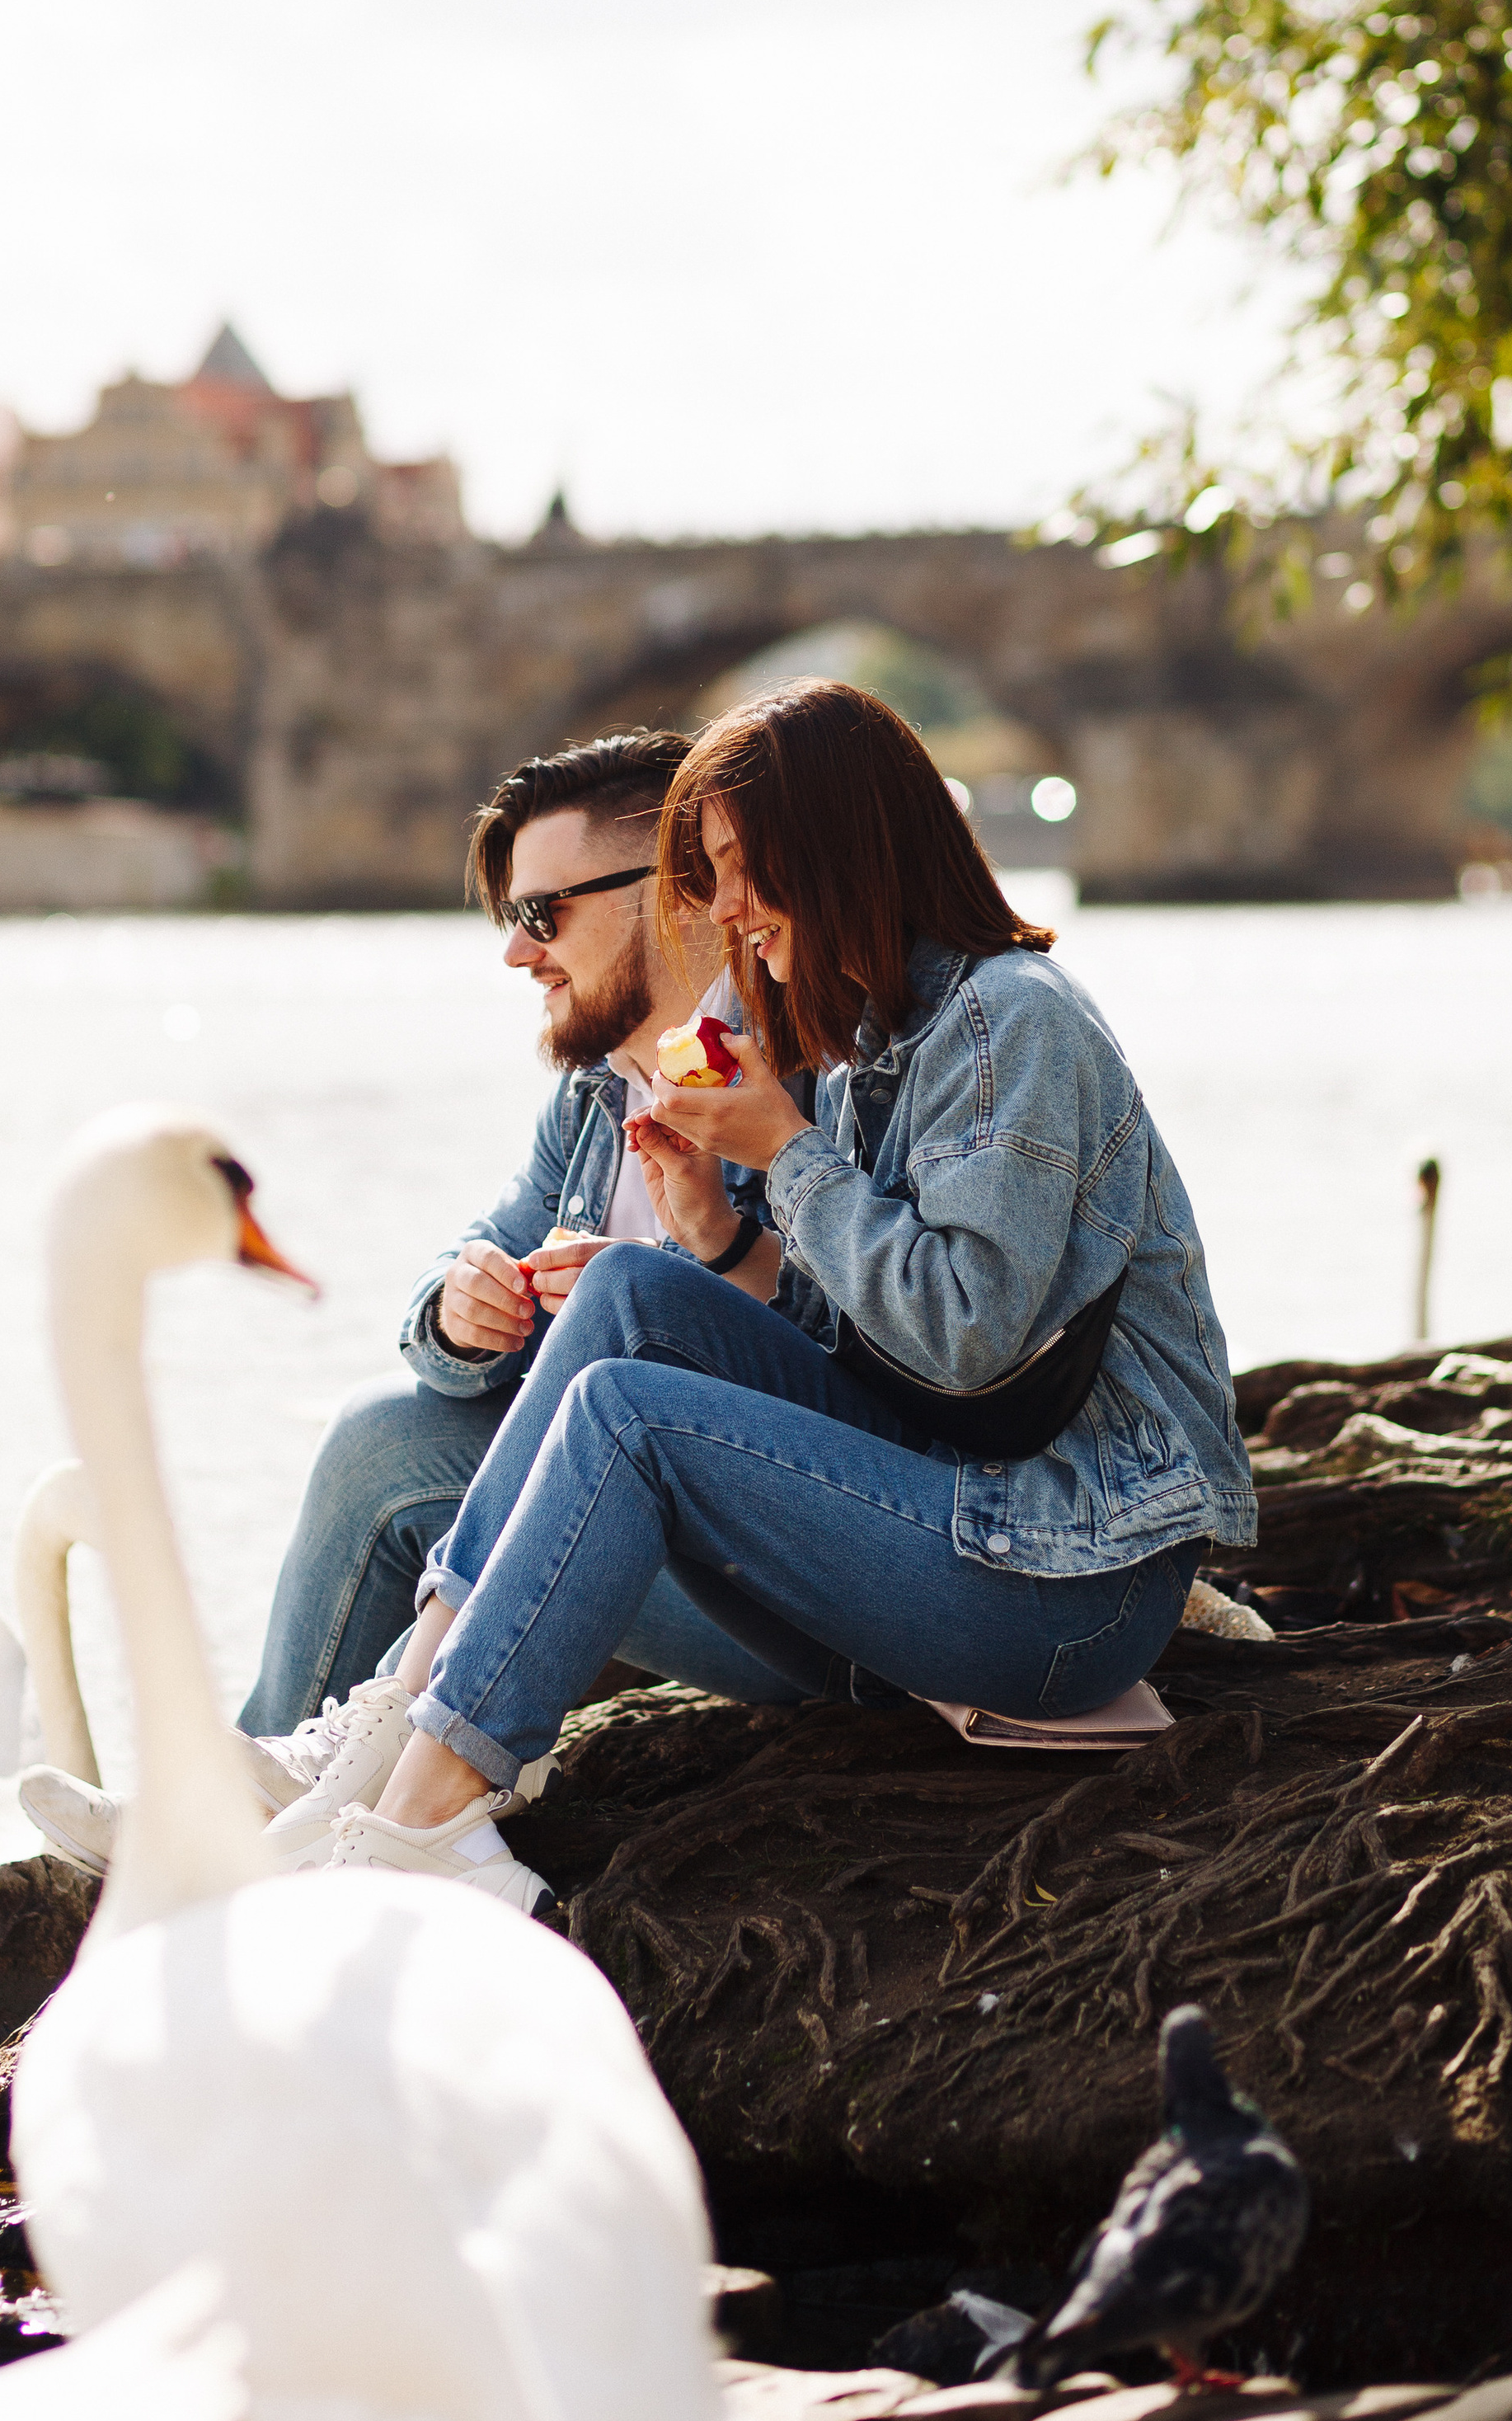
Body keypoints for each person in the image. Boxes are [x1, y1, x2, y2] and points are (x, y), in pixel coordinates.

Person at [320, 679, 1257, 1911]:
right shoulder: (883, 1038)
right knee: (636, 1298)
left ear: (845, 848)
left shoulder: (1010, 1025)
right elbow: (862, 1345)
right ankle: (397, 1739)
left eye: (741, 870)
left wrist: (788, 1154)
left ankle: (422, 1818)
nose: (724, 912)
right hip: (955, 1521)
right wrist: (716, 1230)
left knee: (628, 1416)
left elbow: (965, 1337)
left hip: (1072, 1590)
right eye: (706, 874)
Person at [20, 726, 805, 1878]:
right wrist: (463, 1314)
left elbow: (855, 1364)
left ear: (676, 893)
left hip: (770, 1557)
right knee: (385, 1423)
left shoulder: (802, 1071)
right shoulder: (598, 1096)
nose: (517, 956)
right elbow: (458, 1277)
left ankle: (265, 1809)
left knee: (395, 1456)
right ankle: (262, 1780)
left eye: (545, 914)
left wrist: (666, 1301)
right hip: (632, 1527)